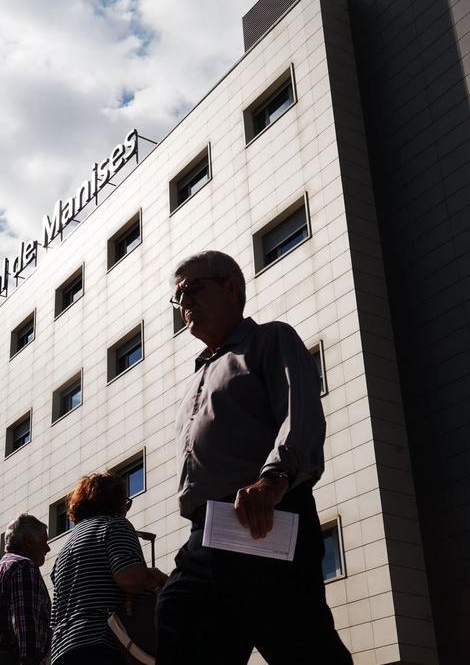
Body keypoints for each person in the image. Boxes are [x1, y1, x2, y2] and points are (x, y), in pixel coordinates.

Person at [153, 250, 351, 665]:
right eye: (178, 298)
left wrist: (273, 480)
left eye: (191, 289)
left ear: (231, 288)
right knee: (178, 616)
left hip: (265, 516)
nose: (183, 303)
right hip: (207, 532)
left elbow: (301, 412)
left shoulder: (270, 339)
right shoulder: (197, 376)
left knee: (303, 647)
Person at [50, 473, 167, 665]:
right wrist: (154, 576)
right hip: (102, 642)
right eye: (126, 503)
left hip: (62, 649)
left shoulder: (65, 549)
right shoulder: (114, 526)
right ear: (115, 501)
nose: (126, 510)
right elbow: (130, 578)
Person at [0, 514, 53, 665]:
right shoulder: (24, 567)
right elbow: (26, 626)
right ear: (29, 541)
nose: (48, 548)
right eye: (44, 541)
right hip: (6, 658)